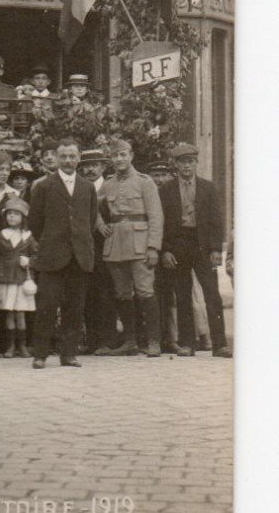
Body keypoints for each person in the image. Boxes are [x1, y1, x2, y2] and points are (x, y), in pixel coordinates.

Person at [28, 138, 98, 369]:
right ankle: (40, 354)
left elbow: (90, 219)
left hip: (79, 255)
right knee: (47, 304)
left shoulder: (87, 187)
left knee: (75, 306)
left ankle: (68, 354)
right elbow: (35, 222)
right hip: (52, 255)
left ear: (79, 158)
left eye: (72, 156)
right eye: (63, 156)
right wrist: (51, 242)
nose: (68, 161)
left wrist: (80, 243)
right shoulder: (44, 186)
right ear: (56, 159)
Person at [159, 143, 231, 358]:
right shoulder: (166, 190)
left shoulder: (208, 188)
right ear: (175, 164)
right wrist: (165, 251)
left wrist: (216, 249)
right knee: (182, 294)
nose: (187, 166)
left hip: (203, 245)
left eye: (190, 161)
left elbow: (216, 221)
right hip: (178, 244)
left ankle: (219, 344)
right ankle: (187, 343)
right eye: (182, 162)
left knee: (211, 293)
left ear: (196, 163)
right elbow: (161, 223)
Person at [95, 139, 164, 358]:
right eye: (115, 155)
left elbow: (156, 216)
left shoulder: (145, 182)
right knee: (122, 293)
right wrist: (100, 224)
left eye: (123, 154)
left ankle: (154, 341)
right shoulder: (108, 184)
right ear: (111, 159)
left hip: (140, 243)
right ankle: (130, 342)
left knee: (145, 291)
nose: (119, 159)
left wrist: (153, 247)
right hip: (115, 244)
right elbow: (91, 206)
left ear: (131, 155)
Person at [78, 148, 119, 354]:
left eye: (94, 165)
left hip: (108, 245)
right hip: (85, 247)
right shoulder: (80, 187)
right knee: (88, 292)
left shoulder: (111, 187)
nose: (90, 169)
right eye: (86, 165)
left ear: (103, 167)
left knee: (107, 292)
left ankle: (108, 340)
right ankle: (92, 340)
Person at [0, 196, 37, 358]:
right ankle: (10, 346)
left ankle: (22, 346)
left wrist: (29, 261)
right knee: (9, 312)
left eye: (16, 214)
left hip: (22, 279)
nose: (12, 217)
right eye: (9, 214)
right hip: (5, 278)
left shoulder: (28, 236)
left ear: (23, 217)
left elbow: (38, 255)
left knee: (20, 312)